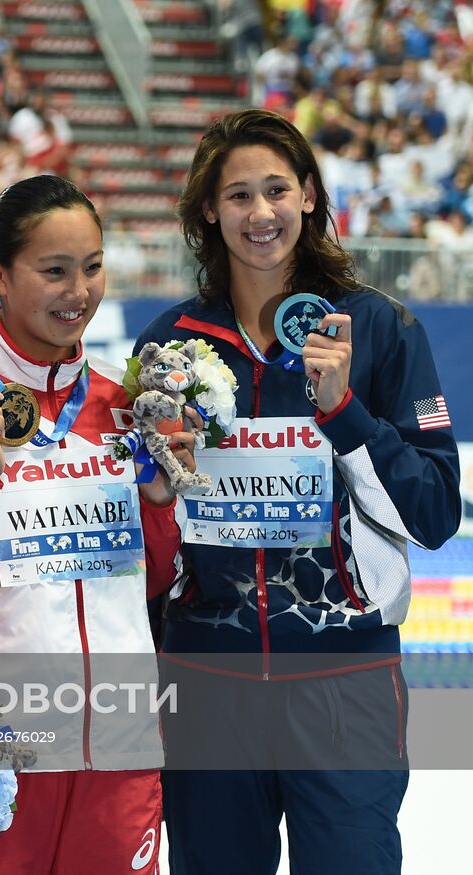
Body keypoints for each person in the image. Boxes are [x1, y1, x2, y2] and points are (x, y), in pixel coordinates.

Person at [135, 109, 460, 874]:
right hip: (207, 677)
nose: (261, 213)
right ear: (208, 210)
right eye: (238, 195)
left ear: (310, 195)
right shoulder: (170, 343)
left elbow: (437, 511)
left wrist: (346, 412)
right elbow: (151, 520)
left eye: (277, 189)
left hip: (344, 679)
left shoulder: (379, 329)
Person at [0, 176, 191, 875]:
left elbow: (163, 573)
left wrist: (158, 500)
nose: (79, 291)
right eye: (53, 270)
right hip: (2, 747)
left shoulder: (128, 403)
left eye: (92, 266)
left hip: (121, 747)